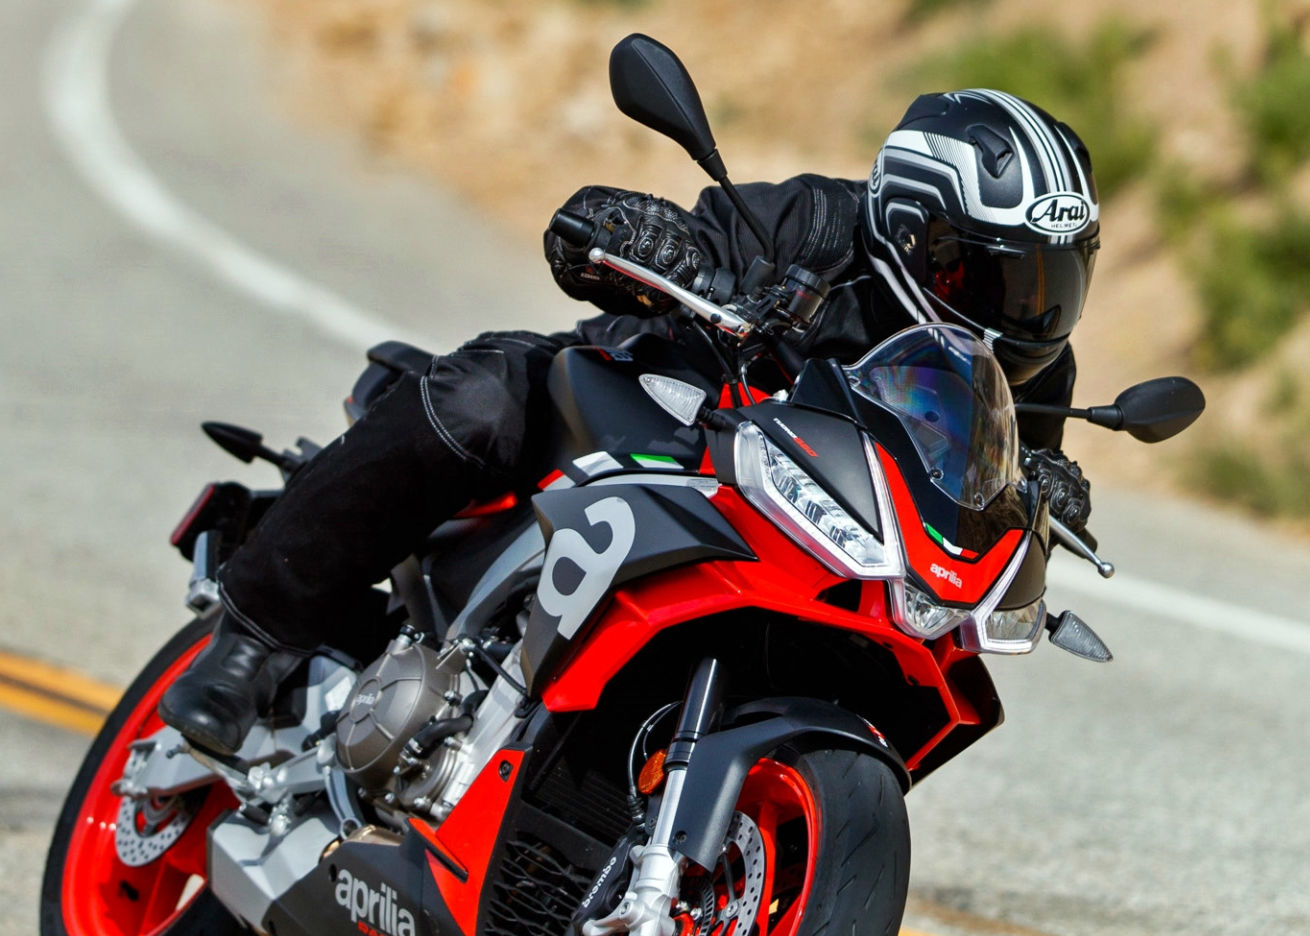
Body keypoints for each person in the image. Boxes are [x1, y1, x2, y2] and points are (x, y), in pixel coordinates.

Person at [161, 89, 1101, 754]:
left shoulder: (1027, 367)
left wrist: (1039, 498)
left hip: (793, 540)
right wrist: (640, 237)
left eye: (1052, 284)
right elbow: (644, 237)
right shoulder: (815, 226)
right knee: (481, 395)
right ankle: (254, 638)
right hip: (639, 420)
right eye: (991, 274)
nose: (1026, 311)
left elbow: (982, 504)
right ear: (908, 230)